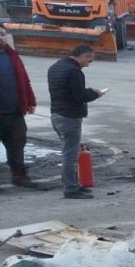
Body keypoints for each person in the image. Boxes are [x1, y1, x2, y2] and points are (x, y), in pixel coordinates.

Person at [47, 43, 104, 200]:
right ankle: (71, 189)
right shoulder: (74, 71)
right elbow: (79, 96)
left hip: (56, 114)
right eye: (89, 60)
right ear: (84, 56)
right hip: (69, 117)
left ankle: (74, 185)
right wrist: (95, 94)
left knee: (69, 153)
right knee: (70, 155)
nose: (89, 64)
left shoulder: (55, 67)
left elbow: (65, 91)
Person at [0, 22, 39, 194]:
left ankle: (19, 176)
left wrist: (30, 101)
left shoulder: (13, 56)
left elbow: (24, 80)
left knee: (17, 145)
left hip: (15, 112)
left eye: (2, 34)